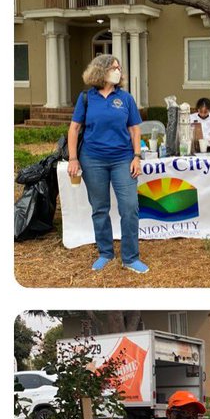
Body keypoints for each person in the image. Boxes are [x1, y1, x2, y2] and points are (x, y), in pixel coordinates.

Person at [65, 53, 146, 274]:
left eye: (119, 68)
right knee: (99, 208)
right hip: (93, 160)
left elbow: (134, 129)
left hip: (123, 159)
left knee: (129, 207)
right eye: (114, 67)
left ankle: (130, 257)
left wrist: (137, 156)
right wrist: (73, 158)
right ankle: (105, 252)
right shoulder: (86, 98)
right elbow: (74, 128)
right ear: (101, 71)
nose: (118, 71)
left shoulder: (126, 98)